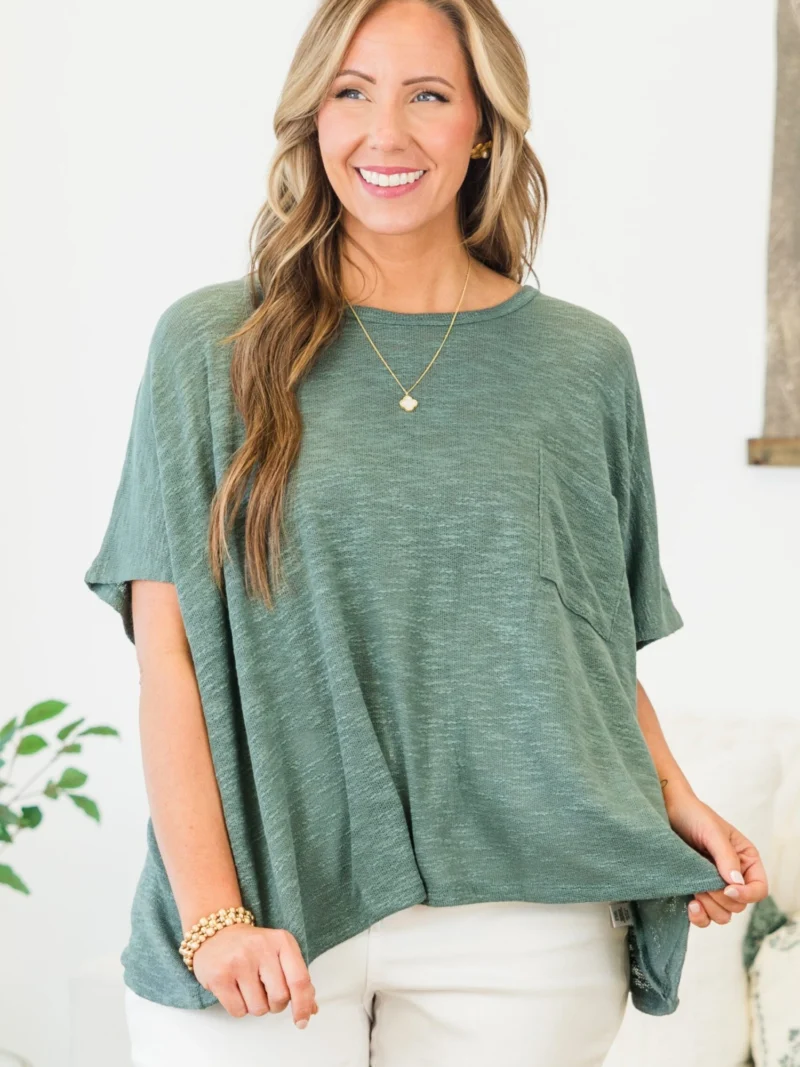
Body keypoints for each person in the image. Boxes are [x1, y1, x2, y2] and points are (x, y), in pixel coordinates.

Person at [83, 0, 768, 1064]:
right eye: (351, 93)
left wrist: (677, 798)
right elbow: (169, 655)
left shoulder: (581, 362)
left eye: (428, 95)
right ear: (313, 119)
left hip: (526, 925)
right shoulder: (211, 345)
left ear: (483, 125)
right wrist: (212, 914)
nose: (385, 132)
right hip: (265, 906)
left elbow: (585, 642)